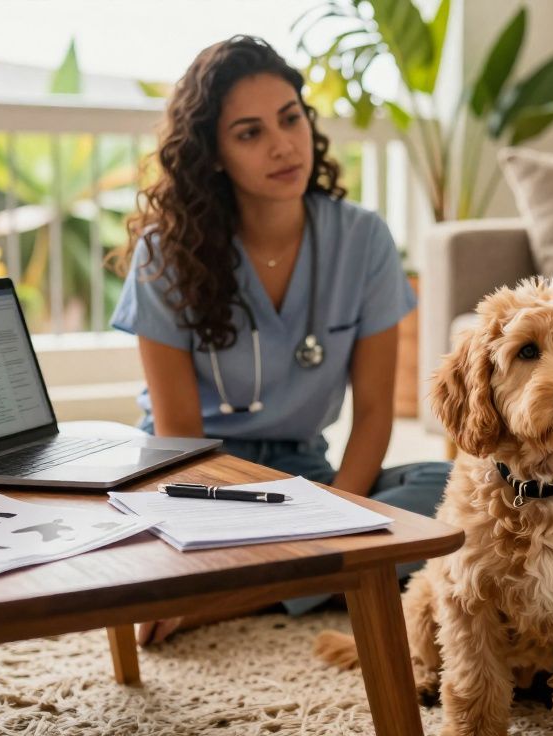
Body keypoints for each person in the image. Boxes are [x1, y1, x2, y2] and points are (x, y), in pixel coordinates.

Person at [110, 36, 450, 644]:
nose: (282, 145)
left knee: (453, 493)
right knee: (128, 534)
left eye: (290, 118)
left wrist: (335, 516)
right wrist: (317, 537)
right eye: (249, 133)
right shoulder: (165, 255)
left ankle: (233, 597)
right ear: (214, 155)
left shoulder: (363, 240)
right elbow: (177, 435)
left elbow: (374, 415)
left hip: (305, 477)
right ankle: (321, 578)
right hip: (198, 480)